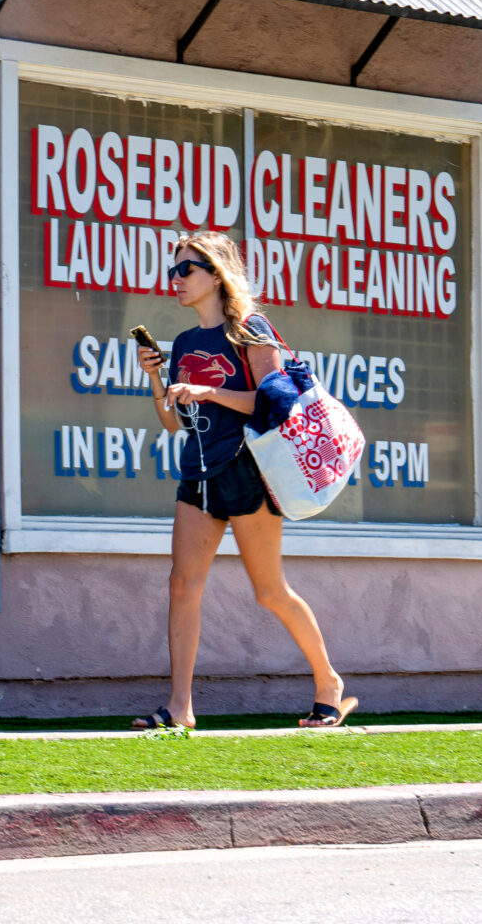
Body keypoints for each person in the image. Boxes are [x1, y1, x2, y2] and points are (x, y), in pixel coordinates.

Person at [131, 230, 356, 731]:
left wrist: (207, 391)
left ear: (216, 274)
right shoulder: (186, 342)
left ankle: (329, 685)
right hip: (199, 473)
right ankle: (180, 707)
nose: (177, 279)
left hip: (247, 472)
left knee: (270, 591)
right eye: (174, 270)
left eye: (187, 269)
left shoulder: (251, 329)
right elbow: (174, 424)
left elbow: (274, 404)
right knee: (182, 585)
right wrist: (157, 379)